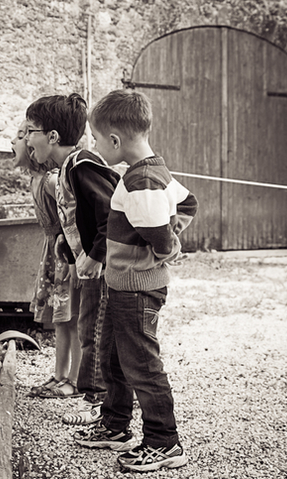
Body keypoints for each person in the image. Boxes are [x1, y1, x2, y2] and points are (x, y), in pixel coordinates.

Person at [73, 89, 198, 472]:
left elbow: (159, 234)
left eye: (96, 140)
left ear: (114, 141)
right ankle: (115, 424)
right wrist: (171, 236)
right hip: (122, 283)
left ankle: (164, 441)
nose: (95, 147)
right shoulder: (147, 171)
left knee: (141, 364)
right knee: (113, 356)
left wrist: (168, 246)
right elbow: (188, 202)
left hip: (139, 288)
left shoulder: (141, 182)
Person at [24, 93, 119, 411]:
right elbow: (80, 217)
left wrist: (94, 255)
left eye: (30, 131)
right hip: (90, 265)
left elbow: (109, 214)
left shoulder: (79, 166)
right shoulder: (67, 168)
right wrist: (68, 245)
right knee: (90, 332)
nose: (27, 139)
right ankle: (100, 409)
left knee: (95, 335)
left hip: (102, 269)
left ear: (52, 136)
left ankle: (102, 410)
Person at [11, 120, 81, 399]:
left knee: (72, 318)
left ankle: (75, 381)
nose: (19, 141)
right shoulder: (35, 180)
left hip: (65, 254)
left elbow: (73, 215)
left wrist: (71, 254)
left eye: (23, 135)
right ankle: (59, 374)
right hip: (52, 252)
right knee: (60, 319)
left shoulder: (52, 180)